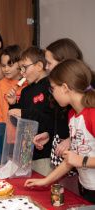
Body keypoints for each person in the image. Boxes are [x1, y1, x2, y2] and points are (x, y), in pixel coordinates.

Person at [24, 59, 95, 204]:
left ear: (64, 87)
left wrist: (82, 161)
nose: (52, 94)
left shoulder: (92, 115)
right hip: (86, 188)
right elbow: (70, 161)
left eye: (52, 89)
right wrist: (46, 181)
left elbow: (78, 160)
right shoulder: (72, 115)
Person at [33, 38, 84, 194]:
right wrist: (50, 133)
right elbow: (56, 119)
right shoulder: (71, 114)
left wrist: (72, 140)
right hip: (69, 158)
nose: (47, 68)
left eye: (49, 63)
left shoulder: (87, 110)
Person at [6, 46, 54, 176]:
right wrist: (13, 105)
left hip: (43, 155)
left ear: (39, 66)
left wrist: (24, 113)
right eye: (20, 69)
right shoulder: (26, 91)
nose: (22, 73)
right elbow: (18, 123)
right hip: (25, 154)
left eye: (24, 68)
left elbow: (50, 122)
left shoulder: (50, 87)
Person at [0, 45, 28, 151]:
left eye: (10, 65)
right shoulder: (1, 84)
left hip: (23, 139)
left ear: (20, 64)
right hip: (6, 137)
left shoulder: (27, 84)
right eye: (3, 66)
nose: (6, 69)